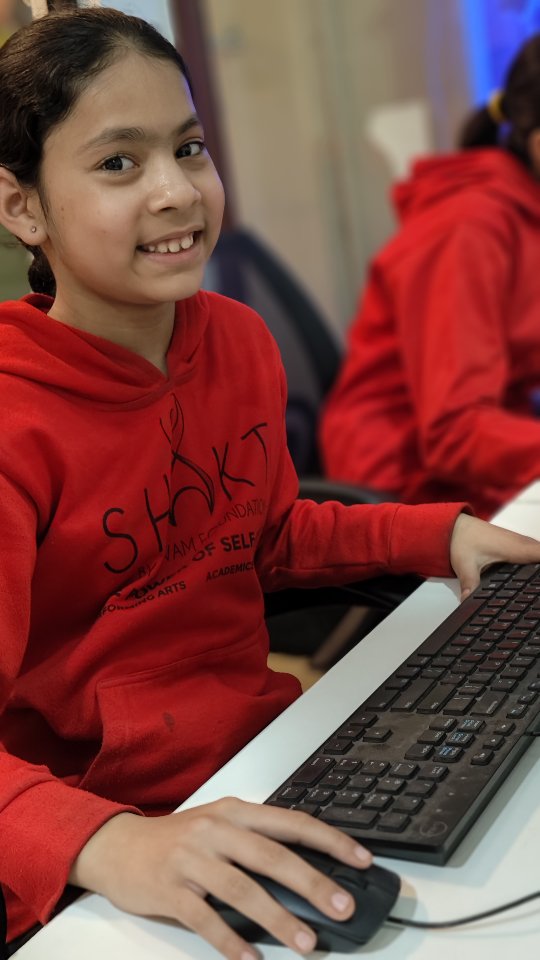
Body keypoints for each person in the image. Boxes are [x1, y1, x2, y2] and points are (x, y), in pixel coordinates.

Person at [1, 10, 539, 960]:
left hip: (260, 763)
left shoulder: (237, 342)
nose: (175, 191)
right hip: (98, 846)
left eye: (189, 147)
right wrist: (107, 839)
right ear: (22, 207)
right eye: (119, 163)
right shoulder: (15, 421)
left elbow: (265, 535)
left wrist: (437, 536)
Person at [320, 34, 540, 521]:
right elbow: (455, 433)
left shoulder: (527, 209)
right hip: (406, 490)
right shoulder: (469, 228)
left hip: (488, 459)